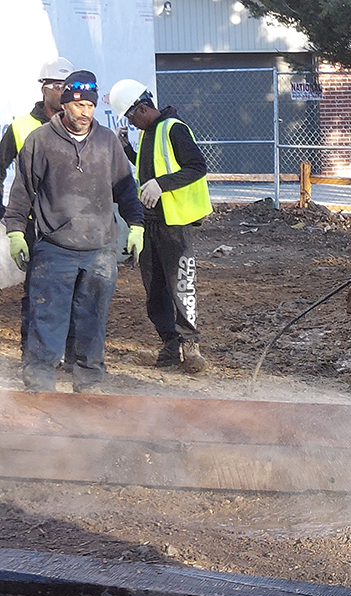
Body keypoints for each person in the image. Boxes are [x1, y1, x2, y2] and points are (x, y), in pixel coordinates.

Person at [3, 70, 145, 393]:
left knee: (92, 320)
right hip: (54, 248)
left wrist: (136, 225)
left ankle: (89, 387)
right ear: (65, 103)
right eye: (78, 105)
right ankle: (40, 389)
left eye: (91, 107)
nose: (84, 113)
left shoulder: (107, 142)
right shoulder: (40, 141)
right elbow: (22, 190)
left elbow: (126, 189)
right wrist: (14, 231)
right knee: (47, 319)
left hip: (100, 249)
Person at [109, 79, 212, 373]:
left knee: (180, 284)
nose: (132, 123)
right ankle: (169, 344)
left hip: (174, 222)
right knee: (154, 289)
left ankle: (190, 345)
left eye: (131, 117)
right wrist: (127, 149)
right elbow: (149, 166)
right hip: (151, 220)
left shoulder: (174, 129)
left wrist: (162, 185)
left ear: (142, 109)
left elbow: (197, 167)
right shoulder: (150, 132)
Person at [0, 56, 75, 355]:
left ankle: (71, 354)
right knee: (35, 291)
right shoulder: (21, 127)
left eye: (67, 86)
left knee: (74, 291)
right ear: (44, 88)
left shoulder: (80, 126)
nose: (63, 92)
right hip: (34, 223)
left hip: (72, 223)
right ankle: (32, 354)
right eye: (57, 86)